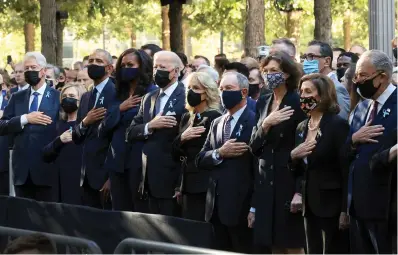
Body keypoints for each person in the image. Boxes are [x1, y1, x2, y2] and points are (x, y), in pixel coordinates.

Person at [249, 51, 306, 254]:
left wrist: (299, 190)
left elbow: (304, 148)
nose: (268, 74)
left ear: (287, 74)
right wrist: (265, 124)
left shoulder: (298, 101)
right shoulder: (263, 101)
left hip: (288, 179)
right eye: (265, 71)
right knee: (273, 243)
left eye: (274, 70)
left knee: (292, 244)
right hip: (266, 181)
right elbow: (254, 147)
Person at [290, 74, 350, 253]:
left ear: (322, 95)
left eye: (308, 91)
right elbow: (300, 169)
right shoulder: (302, 127)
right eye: (301, 91)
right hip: (308, 206)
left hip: (331, 206)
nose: (303, 96)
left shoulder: (337, 125)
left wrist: (344, 210)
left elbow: (345, 169)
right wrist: (292, 157)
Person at [195, 71, 254, 253]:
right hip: (215, 208)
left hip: (241, 208)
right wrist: (219, 153)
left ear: (244, 92)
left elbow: (258, 169)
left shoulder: (255, 120)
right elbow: (200, 159)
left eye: (229, 88)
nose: (223, 93)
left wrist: (254, 207)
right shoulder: (217, 122)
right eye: (221, 89)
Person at [345, 50, 397, 254]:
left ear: (382, 76)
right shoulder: (361, 108)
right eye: (356, 76)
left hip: (386, 207)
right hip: (357, 204)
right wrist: (353, 140)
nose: (357, 81)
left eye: (363, 76)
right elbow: (345, 154)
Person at [126, 51, 186, 216]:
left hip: (172, 177)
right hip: (147, 177)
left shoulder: (186, 97)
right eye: (155, 67)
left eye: (162, 67)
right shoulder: (149, 98)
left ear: (175, 71)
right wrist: (150, 126)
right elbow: (131, 132)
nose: (157, 71)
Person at [99, 48, 157, 212]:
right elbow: (104, 127)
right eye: (122, 65)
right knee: (119, 212)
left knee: (139, 213)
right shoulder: (117, 94)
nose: (125, 68)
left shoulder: (152, 93)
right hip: (117, 162)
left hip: (139, 162)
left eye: (130, 64)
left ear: (142, 67)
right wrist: (121, 109)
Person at [0, 52, 60, 201]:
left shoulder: (56, 96)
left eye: (33, 67)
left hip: (47, 170)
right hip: (22, 172)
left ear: (43, 70)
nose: (29, 71)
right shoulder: (17, 97)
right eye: (26, 68)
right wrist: (25, 118)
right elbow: (2, 126)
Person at [171, 72, 221, 221]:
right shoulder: (187, 117)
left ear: (207, 92)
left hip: (205, 185)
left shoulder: (214, 117)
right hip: (187, 184)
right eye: (189, 88)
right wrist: (182, 138)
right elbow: (176, 153)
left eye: (196, 88)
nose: (191, 92)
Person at [72, 49, 116, 209]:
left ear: (109, 68)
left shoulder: (117, 93)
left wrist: (111, 177)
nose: (93, 65)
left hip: (107, 176)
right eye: (90, 61)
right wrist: (85, 122)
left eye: (98, 61)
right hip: (87, 176)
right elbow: (77, 137)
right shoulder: (85, 97)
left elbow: (117, 138)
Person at [42, 83, 86, 204]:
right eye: (64, 96)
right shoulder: (57, 125)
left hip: (80, 183)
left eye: (71, 95)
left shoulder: (86, 125)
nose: (67, 98)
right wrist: (59, 140)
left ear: (80, 99)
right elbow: (45, 154)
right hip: (60, 182)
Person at [303, 40, 350, 120]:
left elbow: (341, 124)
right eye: (305, 57)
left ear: (327, 61)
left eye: (311, 56)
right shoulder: (308, 86)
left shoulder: (336, 88)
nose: (306, 61)